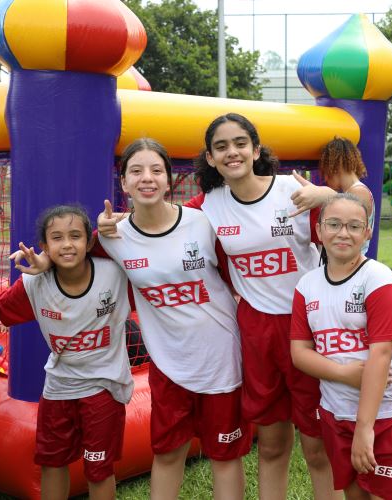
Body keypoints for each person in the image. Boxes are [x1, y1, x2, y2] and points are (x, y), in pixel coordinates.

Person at [187, 113, 338, 499]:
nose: (231, 152)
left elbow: (357, 215)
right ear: (209, 157)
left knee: (318, 445)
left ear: (256, 150)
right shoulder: (208, 206)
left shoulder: (293, 189)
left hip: (308, 327)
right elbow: (159, 224)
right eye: (221, 146)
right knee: (270, 445)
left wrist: (330, 196)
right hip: (256, 330)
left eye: (240, 143)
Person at [96, 138, 251, 499]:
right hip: (169, 367)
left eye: (156, 170)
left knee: (224, 457)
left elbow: (240, 278)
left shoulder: (202, 223)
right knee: (167, 454)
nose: (146, 178)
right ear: (123, 183)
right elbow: (72, 254)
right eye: (136, 171)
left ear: (169, 180)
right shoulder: (112, 237)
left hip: (222, 362)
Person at [0, 205, 132, 500]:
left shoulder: (115, 273)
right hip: (58, 388)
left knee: (99, 468)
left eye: (75, 236)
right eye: (57, 238)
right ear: (45, 246)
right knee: (52, 462)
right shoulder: (34, 283)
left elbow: (140, 232)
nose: (68, 244)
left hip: (104, 388)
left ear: (89, 242)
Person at [290, 194, 392, 500]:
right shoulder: (306, 285)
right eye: (334, 224)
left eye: (354, 225)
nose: (343, 232)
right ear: (319, 231)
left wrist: (366, 429)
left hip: (389, 413)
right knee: (354, 495)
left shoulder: (378, 279)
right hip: (337, 411)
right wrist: (342, 374)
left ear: (367, 233)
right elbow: (300, 353)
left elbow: (382, 354)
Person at [290, 137, 375, 255]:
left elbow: (346, 213)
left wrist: (325, 194)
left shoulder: (359, 192)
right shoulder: (353, 191)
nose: (324, 177)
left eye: (325, 168)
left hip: (351, 266)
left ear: (336, 165)